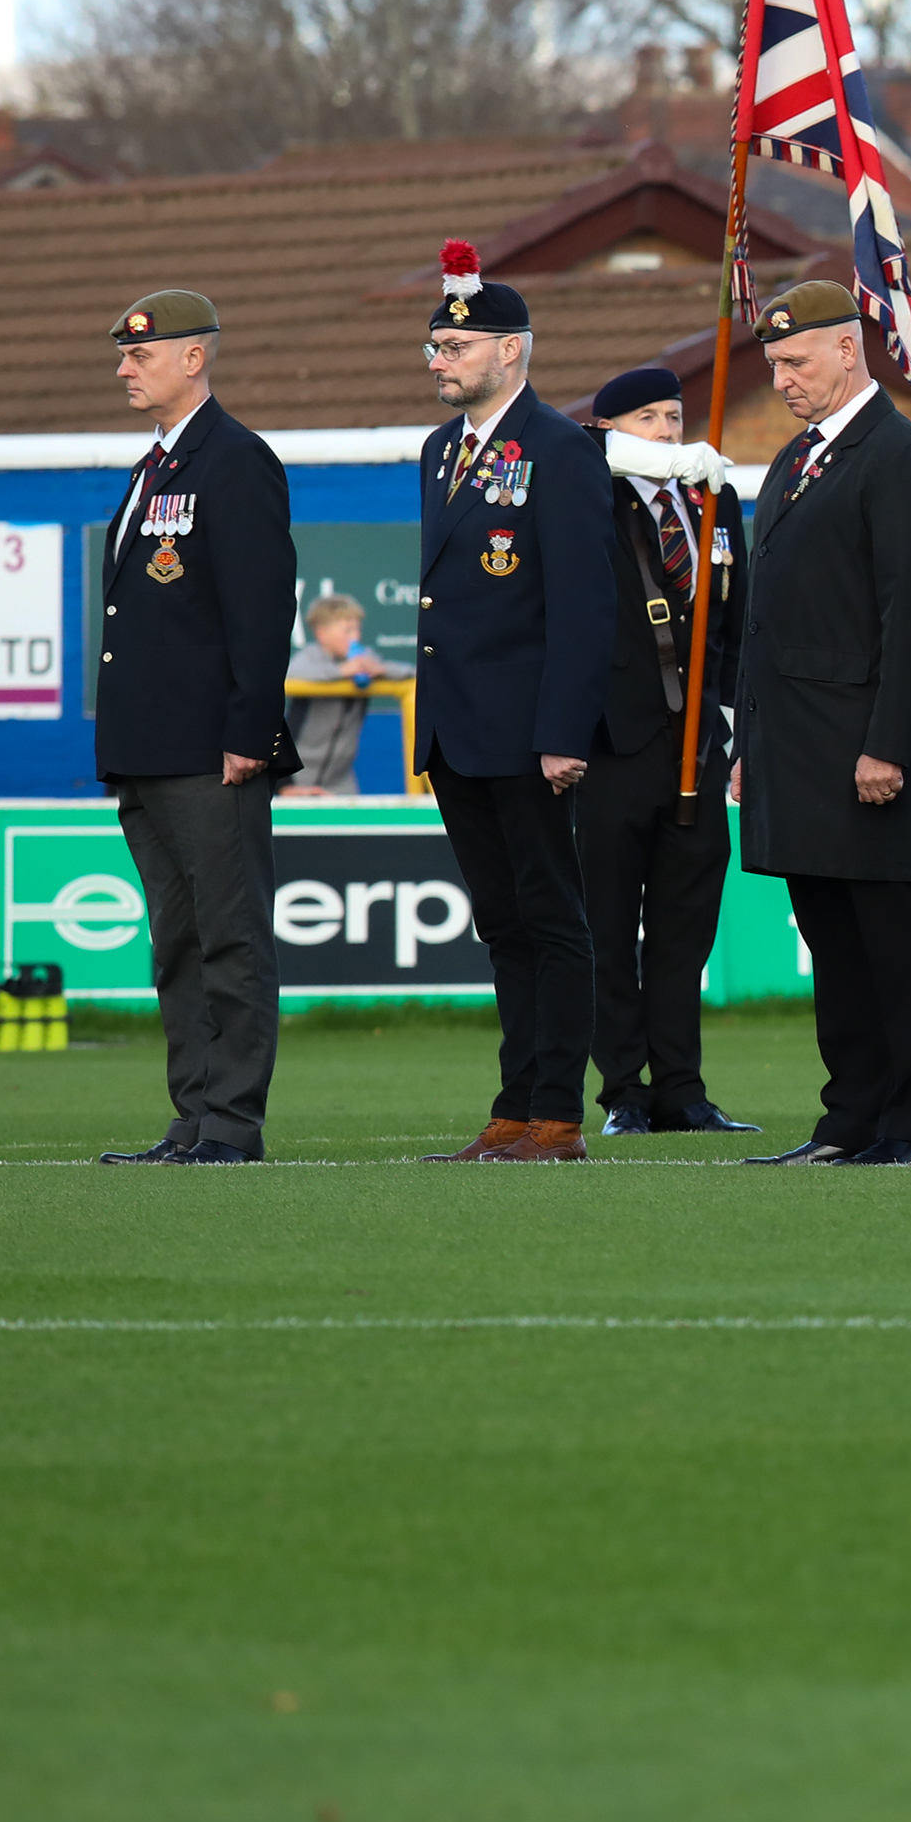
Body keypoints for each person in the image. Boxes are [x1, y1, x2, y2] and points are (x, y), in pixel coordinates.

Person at [732, 281, 911, 1165]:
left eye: (794, 361)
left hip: (859, 749)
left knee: (892, 943)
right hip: (792, 746)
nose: (782, 379)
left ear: (846, 349)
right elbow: (765, 618)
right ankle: (850, 1119)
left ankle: (910, 1126)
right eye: (773, 365)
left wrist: (886, 744)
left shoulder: (897, 456)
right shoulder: (798, 458)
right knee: (832, 943)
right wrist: (749, 742)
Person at [408, 246, 611, 1167]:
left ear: (512, 351)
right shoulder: (440, 450)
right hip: (459, 729)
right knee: (502, 926)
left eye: (456, 345)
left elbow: (583, 604)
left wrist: (564, 733)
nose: (440, 360)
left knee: (553, 920)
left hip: (531, 733)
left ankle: (558, 1114)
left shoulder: (562, 450)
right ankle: (513, 1104)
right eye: (435, 346)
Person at [92, 287, 299, 1165]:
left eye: (140, 354)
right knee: (175, 944)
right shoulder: (155, 467)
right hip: (149, 750)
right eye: (123, 355)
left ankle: (233, 1123)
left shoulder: (235, 460)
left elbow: (260, 609)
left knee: (230, 936)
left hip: (212, 751)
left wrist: (249, 731)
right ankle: (192, 1116)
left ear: (194, 357)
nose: (123, 368)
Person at [575, 365, 758, 1141]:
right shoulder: (589, 494)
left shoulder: (711, 500)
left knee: (686, 928)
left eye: (674, 415)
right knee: (610, 928)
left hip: (697, 744)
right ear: (613, 428)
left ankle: (683, 1089)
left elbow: (741, 619)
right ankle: (623, 1089)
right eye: (647, 417)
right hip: (611, 742)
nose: (666, 430)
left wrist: (741, 731)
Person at [284, 594, 384, 793]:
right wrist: (341, 672)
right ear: (322, 633)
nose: (355, 637)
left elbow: (407, 673)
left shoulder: (364, 659)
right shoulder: (309, 658)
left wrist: (379, 670)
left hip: (341, 782)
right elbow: (291, 673)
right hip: (297, 779)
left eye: (357, 629)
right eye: (347, 631)